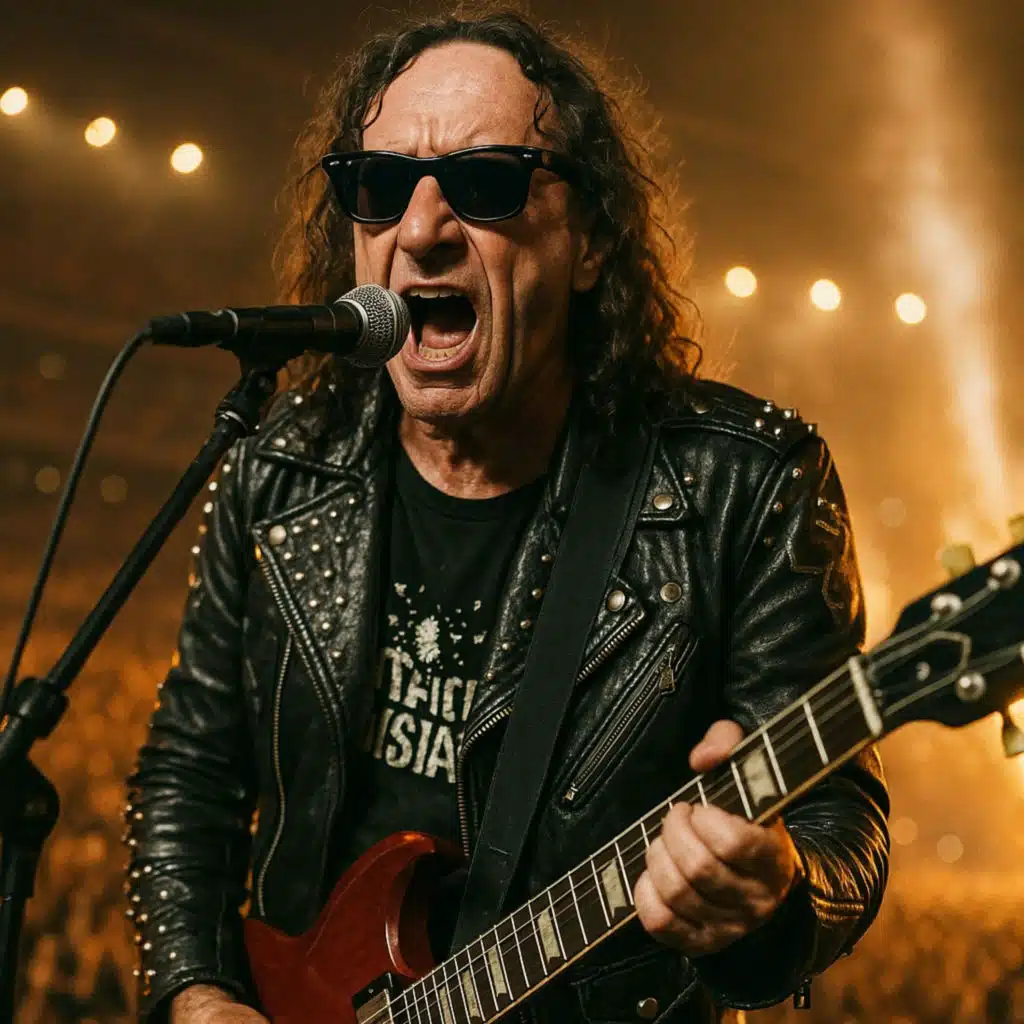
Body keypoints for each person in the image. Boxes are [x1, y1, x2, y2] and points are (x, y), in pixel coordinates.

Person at [124, 8, 889, 1023]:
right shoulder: (280, 464)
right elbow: (190, 767)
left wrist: (778, 894)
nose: (421, 230)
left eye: (485, 183)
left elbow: (841, 825)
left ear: (590, 241)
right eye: (378, 186)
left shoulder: (740, 486)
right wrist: (197, 992)